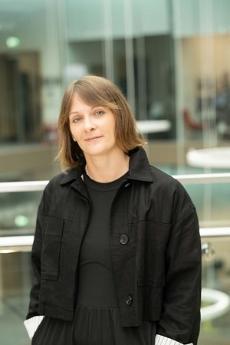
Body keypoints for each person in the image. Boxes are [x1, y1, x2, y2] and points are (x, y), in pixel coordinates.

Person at [24, 75, 201, 345]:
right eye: (77, 119)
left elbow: (184, 282)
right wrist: (38, 325)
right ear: (70, 131)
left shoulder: (166, 194)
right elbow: (40, 268)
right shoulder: (56, 192)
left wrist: (172, 341)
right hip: (60, 334)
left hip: (135, 336)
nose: (88, 126)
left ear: (119, 116)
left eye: (98, 112)